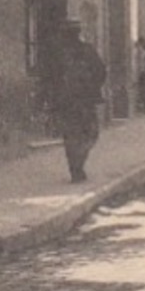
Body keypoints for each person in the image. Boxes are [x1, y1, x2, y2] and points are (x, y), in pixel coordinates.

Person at [51, 19, 107, 183]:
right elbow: (101, 71)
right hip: (83, 100)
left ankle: (75, 167)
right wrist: (92, 86)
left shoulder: (60, 52)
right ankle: (78, 165)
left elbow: (51, 77)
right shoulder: (86, 50)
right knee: (89, 133)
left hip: (68, 100)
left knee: (71, 134)